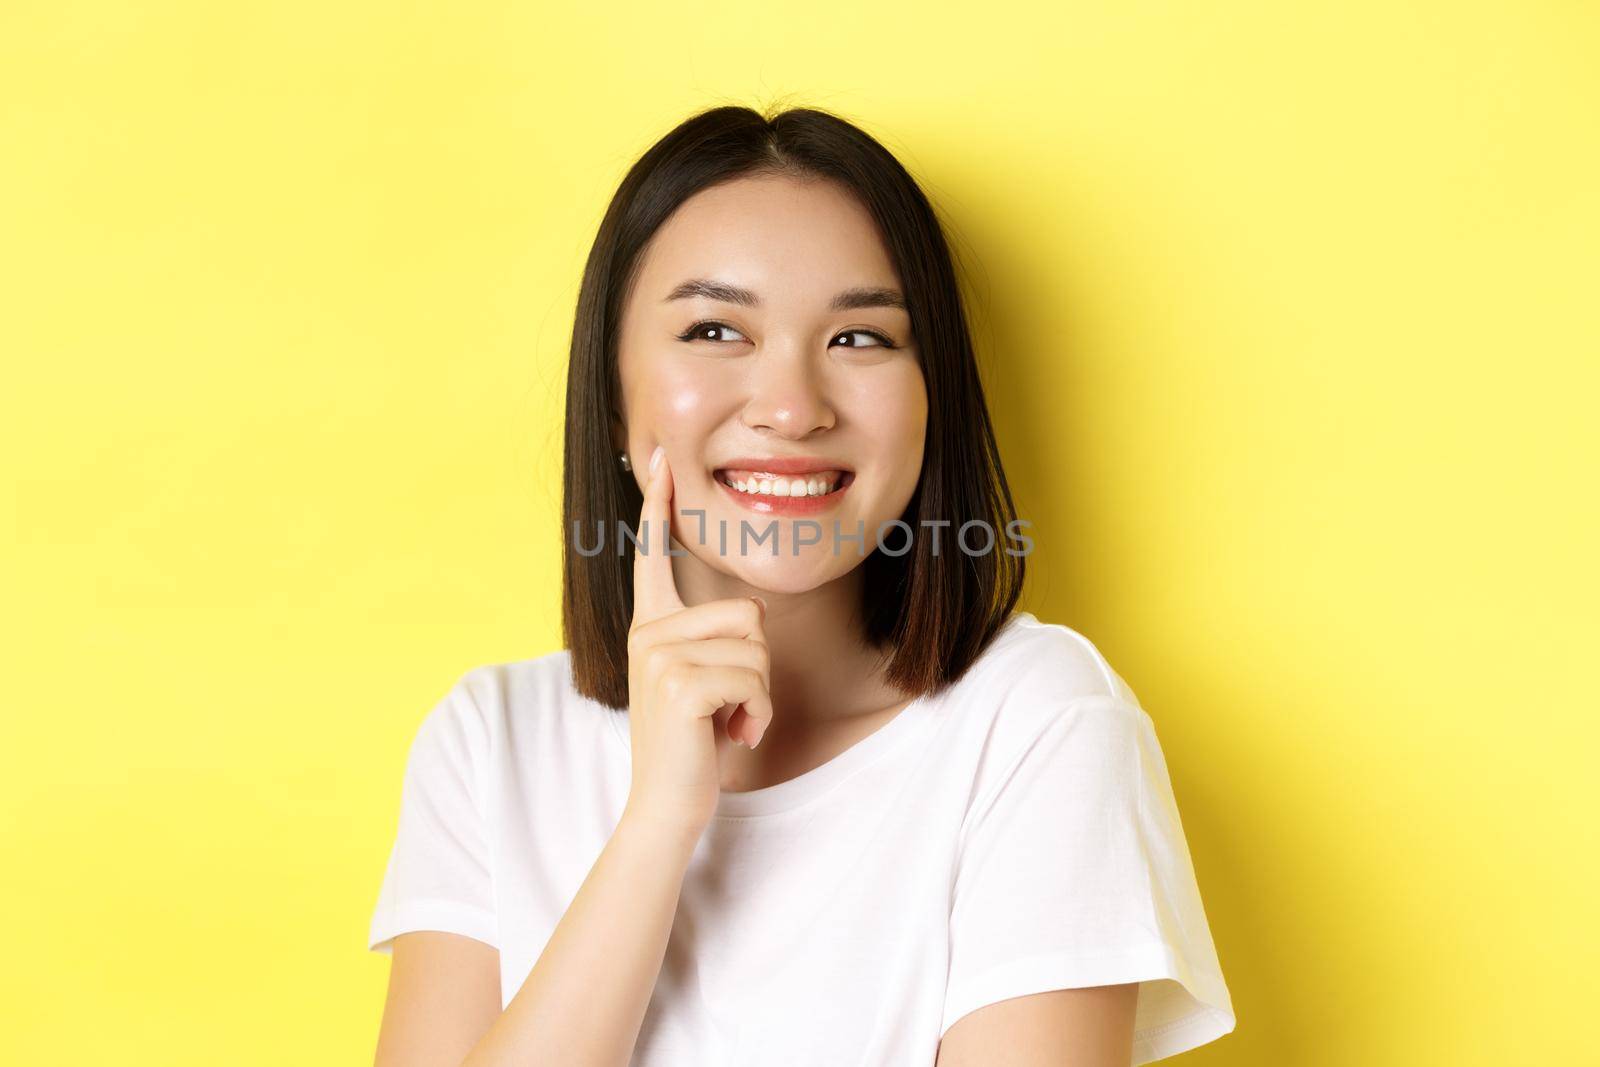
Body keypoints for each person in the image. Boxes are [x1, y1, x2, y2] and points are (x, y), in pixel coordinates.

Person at [367, 104, 1236, 1066]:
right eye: (713, 329)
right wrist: (659, 820)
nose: (791, 408)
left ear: (930, 396)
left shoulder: (1036, 727)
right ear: (614, 396)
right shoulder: (490, 742)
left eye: (860, 338)